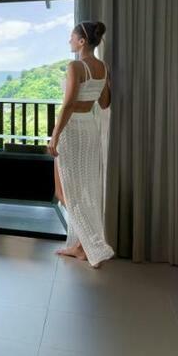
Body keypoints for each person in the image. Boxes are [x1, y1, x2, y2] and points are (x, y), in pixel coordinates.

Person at [47, 21, 115, 268]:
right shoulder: (102, 67)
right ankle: (80, 247)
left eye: (72, 37)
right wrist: (101, 84)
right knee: (85, 189)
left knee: (63, 192)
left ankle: (92, 245)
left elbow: (68, 104)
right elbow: (104, 103)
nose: (69, 41)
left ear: (82, 41)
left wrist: (55, 136)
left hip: (72, 129)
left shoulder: (75, 66)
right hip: (90, 129)